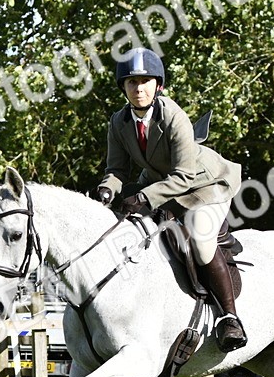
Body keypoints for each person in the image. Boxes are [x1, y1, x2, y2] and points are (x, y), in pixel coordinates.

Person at [92, 48, 247, 352]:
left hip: (205, 184)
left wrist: (144, 197)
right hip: (164, 185)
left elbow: (184, 177)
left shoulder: (174, 117)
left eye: (145, 81)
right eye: (132, 82)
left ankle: (230, 318)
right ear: (123, 87)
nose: (139, 88)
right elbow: (117, 169)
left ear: (158, 85)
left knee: (201, 239)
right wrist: (107, 190)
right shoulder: (118, 122)